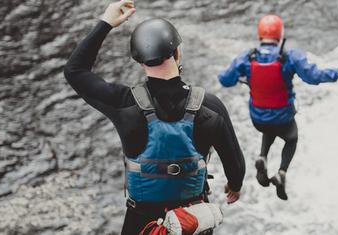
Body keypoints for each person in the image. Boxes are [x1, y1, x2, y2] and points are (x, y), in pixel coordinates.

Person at [63, 1, 245, 234]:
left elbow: (75, 71)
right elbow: (236, 165)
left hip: (142, 223)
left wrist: (106, 23)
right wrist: (234, 186)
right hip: (192, 221)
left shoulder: (123, 103)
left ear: (140, 62)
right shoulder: (210, 106)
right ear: (177, 52)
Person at [218, 14, 338, 200]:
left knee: (269, 125)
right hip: (283, 118)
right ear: (280, 35)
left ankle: (262, 157)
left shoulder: (247, 57)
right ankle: (281, 172)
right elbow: (313, 77)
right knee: (291, 138)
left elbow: (225, 80)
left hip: (258, 120)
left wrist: (242, 76)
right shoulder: (289, 57)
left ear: (260, 35)